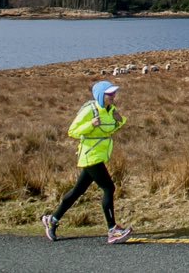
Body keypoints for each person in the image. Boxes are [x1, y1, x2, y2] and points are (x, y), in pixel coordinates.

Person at [42, 80, 132, 244]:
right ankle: (112, 230)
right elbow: (72, 131)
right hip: (90, 155)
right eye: (109, 94)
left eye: (114, 93)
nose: (113, 96)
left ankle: (52, 220)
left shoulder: (111, 110)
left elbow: (109, 129)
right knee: (109, 187)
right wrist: (90, 124)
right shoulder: (90, 111)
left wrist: (121, 120)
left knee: (77, 191)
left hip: (99, 155)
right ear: (100, 95)